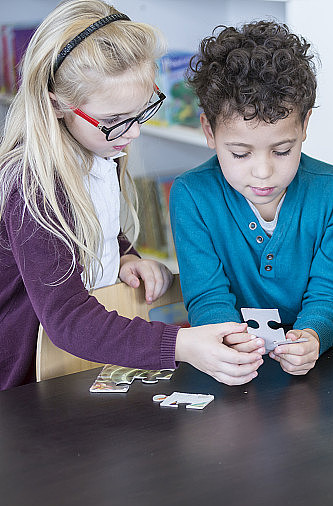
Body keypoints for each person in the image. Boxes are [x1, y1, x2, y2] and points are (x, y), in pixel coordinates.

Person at [0, 0, 264, 390]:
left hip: (72, 366)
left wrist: (124, 254)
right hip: (25, 380)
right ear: (56, 105)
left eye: (142, 111)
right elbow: (69, 318)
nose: (132, 133)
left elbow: (95, 221)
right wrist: (181, 343)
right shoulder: (32, 183)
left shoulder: (99, 147)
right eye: (112, 121)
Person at [169, 21, 333, 376]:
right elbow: (207, 296)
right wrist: (230, 340)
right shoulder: (192, 195)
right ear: (209, 131)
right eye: (241, 153)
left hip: (315, 367)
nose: (262, 172)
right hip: (231, 364)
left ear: (304, 126)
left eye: (282, 150)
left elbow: (330, 291)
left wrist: (312, 336)